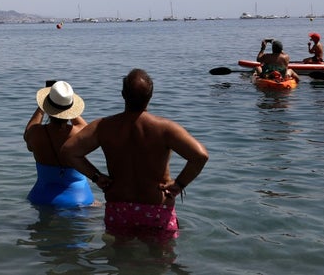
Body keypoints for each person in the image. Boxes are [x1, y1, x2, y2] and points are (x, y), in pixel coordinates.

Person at [61, 69, 209, 240]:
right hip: (156, 207)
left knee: (119, 260)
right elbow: (200, 156)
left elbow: (69, 151)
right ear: (151, 96)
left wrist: (96, 177)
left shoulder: (104, 126)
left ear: (123, 94)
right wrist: (179, 184)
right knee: (161, 261)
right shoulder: (165, 128)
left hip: (119, 206)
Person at [24, 80, 94, 208]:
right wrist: (67, 104)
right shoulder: (80, 133)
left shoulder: (35, 134)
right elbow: (87, 128)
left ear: (46, 106)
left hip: (41, 197)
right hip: (78, 199)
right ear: (71, 109)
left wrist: (43, 106)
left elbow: (28, 132)